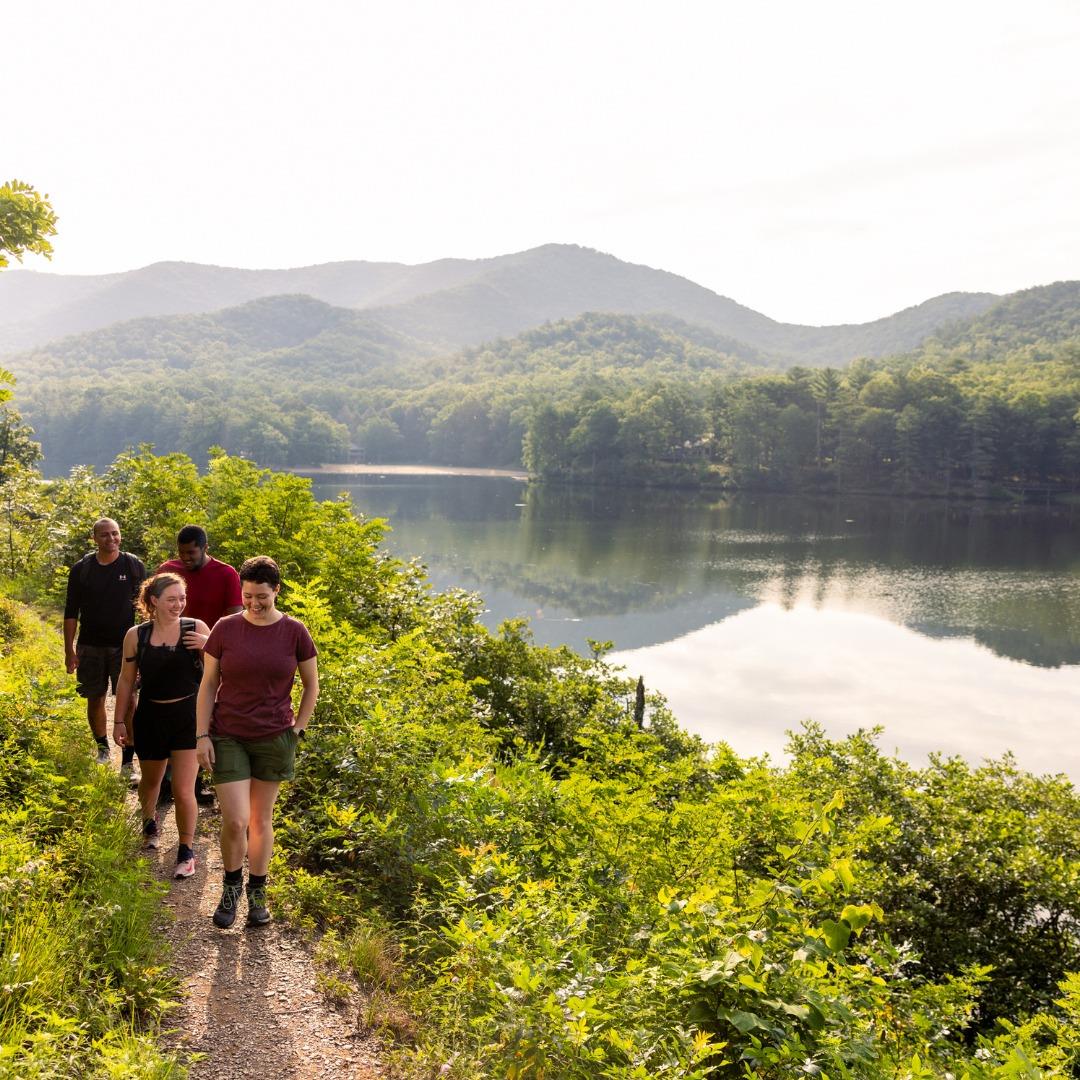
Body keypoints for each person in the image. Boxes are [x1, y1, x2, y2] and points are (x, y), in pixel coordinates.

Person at [196, 556, 318, 929]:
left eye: (261, 596)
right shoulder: (224, 629)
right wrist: (202, 735)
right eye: (248, 596)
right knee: (235, 819)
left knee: (260, 821)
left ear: (276, 591)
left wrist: (296, 729)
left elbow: (311, 684)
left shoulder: (295, 631)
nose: (254, 603)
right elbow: (208, 686)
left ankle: (258, 896)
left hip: (274, 737)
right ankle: (231, 889)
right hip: (228, 733)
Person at [113, 574, 210, 878]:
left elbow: (218, 672)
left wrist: (208, 646)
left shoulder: (195, 628)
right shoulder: (136, 636)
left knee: (184, 789)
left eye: (182, 598)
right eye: (172, 599)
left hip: (188, 718)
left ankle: (186, 850)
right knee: (151, 781)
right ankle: (148, 820)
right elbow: (127, 679)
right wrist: (118, 720)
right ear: (153, 601)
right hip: (151, 716)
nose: (179, 604)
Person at [157, 525, 242, 804]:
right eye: (181, 553)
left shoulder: (226, 573)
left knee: (202, 717)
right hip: (172, 655)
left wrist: (209, 641)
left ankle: (195, 782)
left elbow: (234, 620)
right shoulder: (168, 570)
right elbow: (154, 611)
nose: (185, 559)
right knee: (171, 716)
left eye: (191, 553)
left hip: (210, 655)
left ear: (205, 548)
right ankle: (166, 782)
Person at [63, 518, 145, 770]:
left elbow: (144, 608)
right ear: (94, 538)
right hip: (90, 645)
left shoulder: (132, 565)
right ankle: (102, 749)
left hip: (126, 647)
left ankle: (128, 761)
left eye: (115, 534)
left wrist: (147, 648)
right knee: (94, 698)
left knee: (130, 700)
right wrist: (69, 650)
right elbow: (70, 611)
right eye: (105, 535)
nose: (111, 539)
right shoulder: (82, 569)